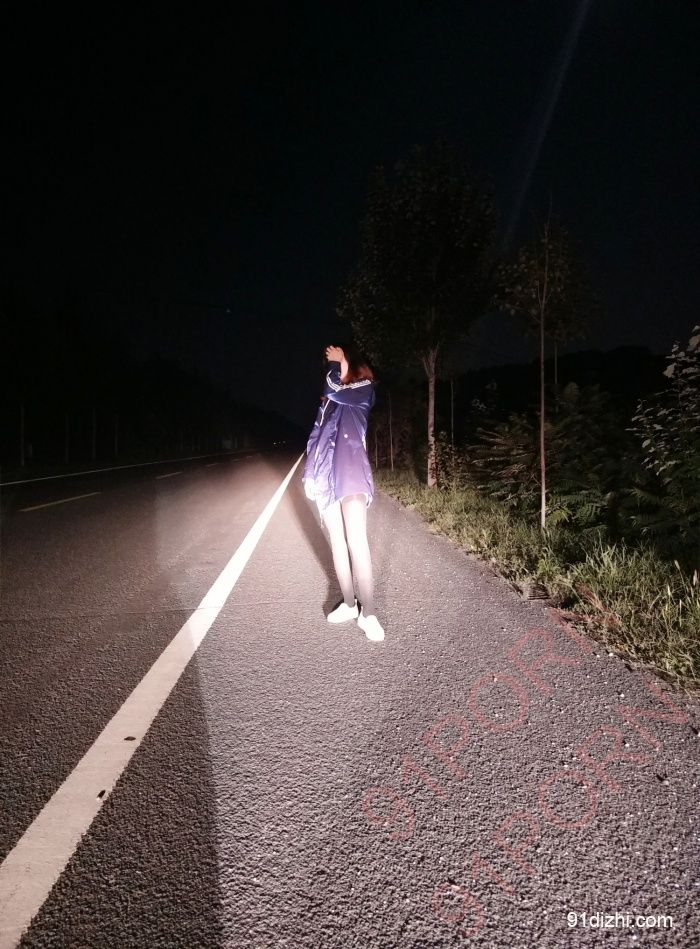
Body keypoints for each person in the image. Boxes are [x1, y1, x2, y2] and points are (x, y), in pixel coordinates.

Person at [302, 343, 385, 642]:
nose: (334, 366)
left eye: (341, 361)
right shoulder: (329, 404)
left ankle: (369, 613)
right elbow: (315, 435)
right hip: (325, 473)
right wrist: (309, 473)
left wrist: (340, 362)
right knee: (337, 542)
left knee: (356, 540)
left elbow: (334, 387)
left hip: (350, 470)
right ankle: (350, 604)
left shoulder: (363, 389)